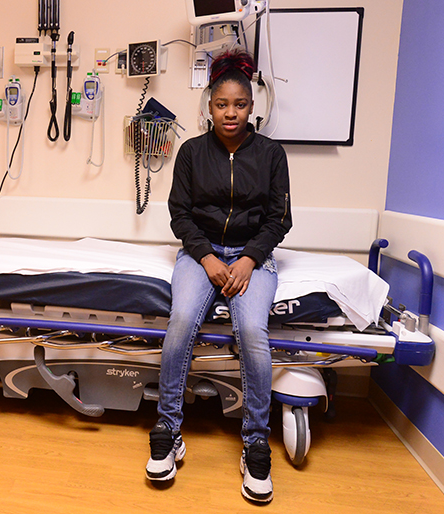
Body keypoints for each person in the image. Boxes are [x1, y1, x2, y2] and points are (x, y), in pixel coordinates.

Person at [145, 48, 291, 504]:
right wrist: (207, 258)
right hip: (200, 255)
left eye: (240, 105)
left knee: (251, 330)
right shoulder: (191, 152)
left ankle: (254, 441)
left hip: (252, 256)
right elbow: (179, 215)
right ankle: (168, 429)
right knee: (182, 321)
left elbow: (279, 219)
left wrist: (248, 259)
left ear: (253, 108)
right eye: (222, 104)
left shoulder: (270, 154)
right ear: (209, 106)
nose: (231, 113)